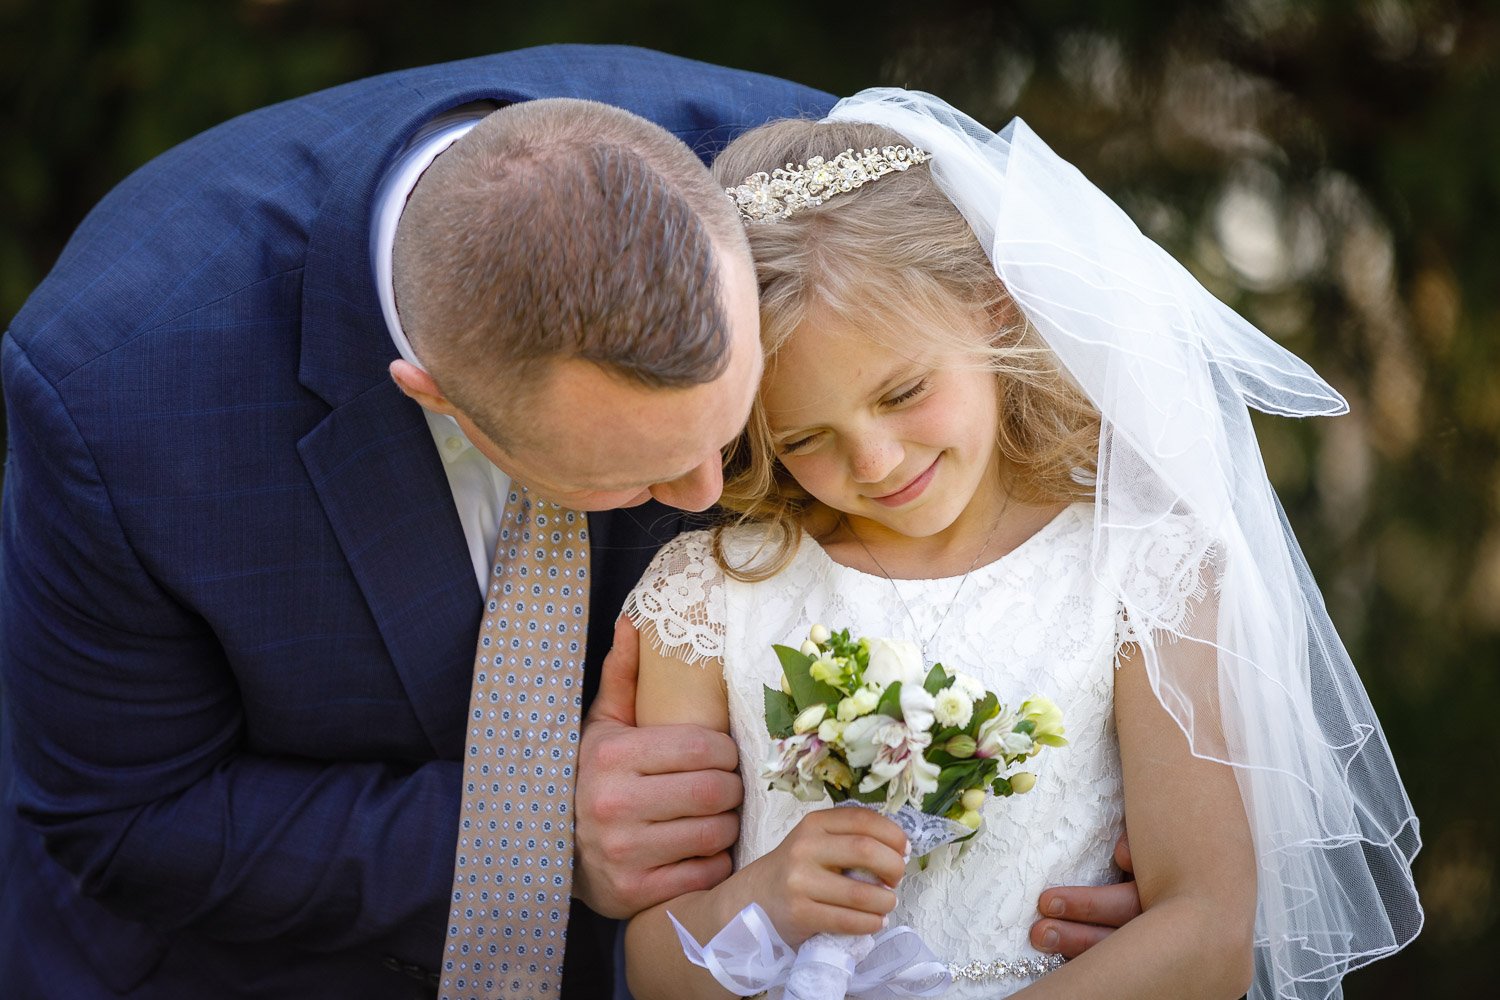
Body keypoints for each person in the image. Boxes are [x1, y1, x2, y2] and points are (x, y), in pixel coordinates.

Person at [0, 45, 830, 998]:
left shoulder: (816, 170)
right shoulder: (120, 390)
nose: (705, 494)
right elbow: (125, 819)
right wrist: (526, 830)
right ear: (436, 397)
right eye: (636, 473)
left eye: (730, 422)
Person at [620, 89, 1423, 999]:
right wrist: (764, 896)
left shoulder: (1139, 569)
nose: (876, 461)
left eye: (902, 392)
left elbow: (1206, 933)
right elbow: (652, 969)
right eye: (804, 439)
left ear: (992, 308)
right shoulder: (709, 595)